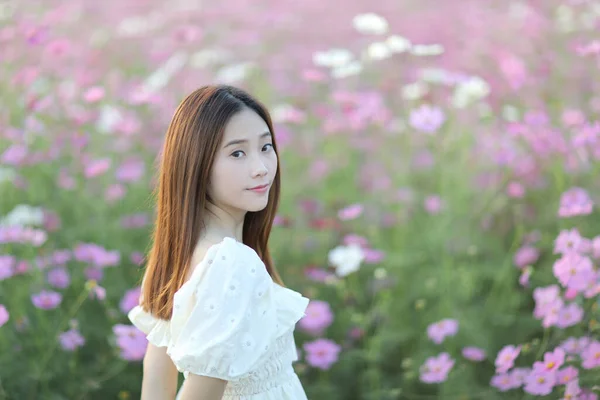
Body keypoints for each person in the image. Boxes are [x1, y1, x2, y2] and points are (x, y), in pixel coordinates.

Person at [128, 85, 310, 400]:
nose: (261, 168)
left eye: (265, 147)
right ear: (196, 164)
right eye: (237, 153)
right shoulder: (233, 264)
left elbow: (156, 380)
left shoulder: (181, 253)